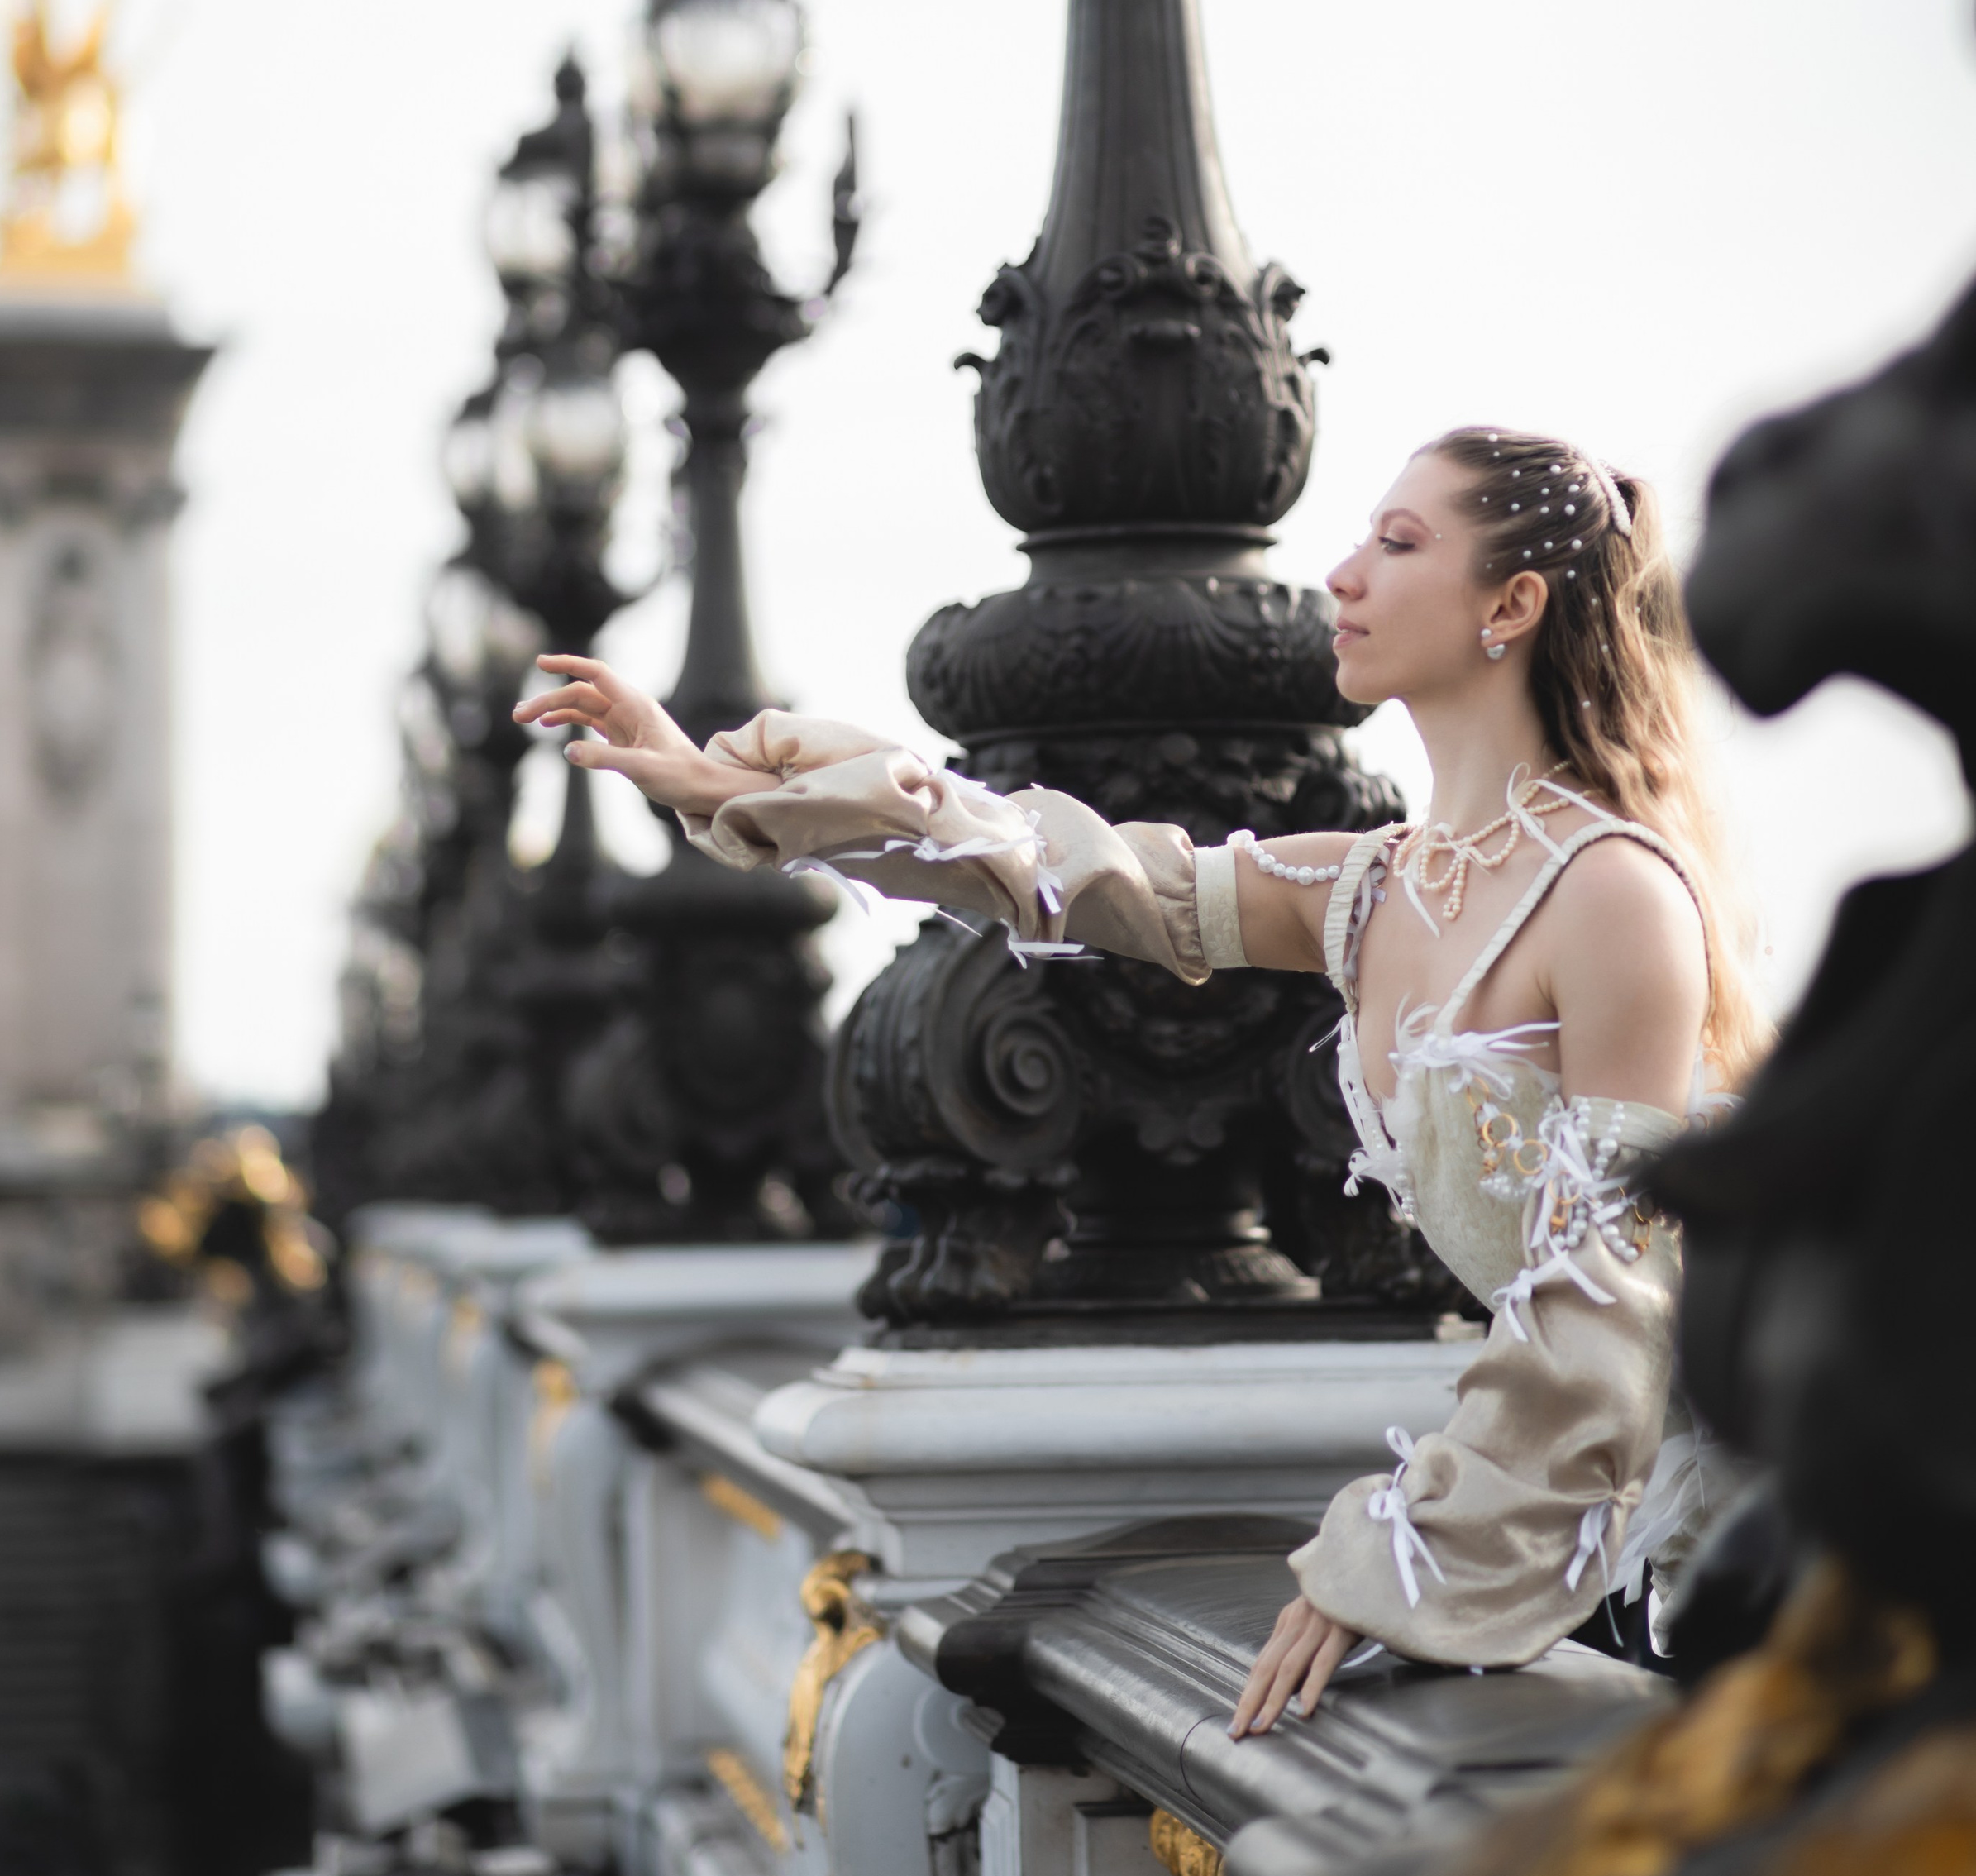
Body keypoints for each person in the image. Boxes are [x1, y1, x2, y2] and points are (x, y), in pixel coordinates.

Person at [514, 427, 1764, 1733]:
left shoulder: (1615, 893)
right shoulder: (1374, 885)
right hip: (1620, 1517)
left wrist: (1398, 1556)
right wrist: (736, 779)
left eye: (1398, 545)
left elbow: (1606, 1299)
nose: (1341, 575)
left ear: (1512, 606)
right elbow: (1086, 875)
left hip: (1765, 1499)